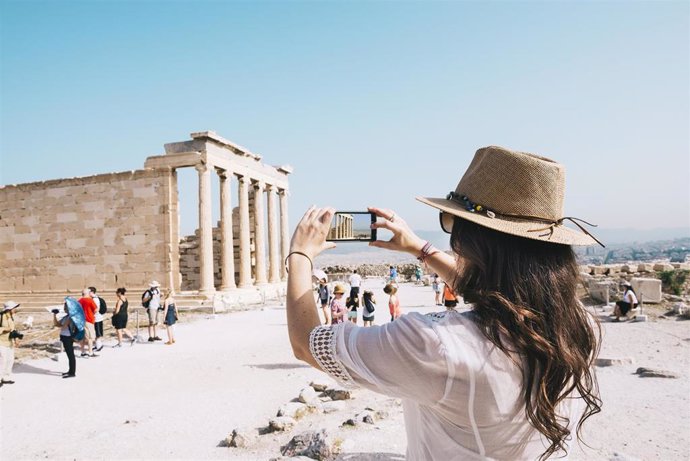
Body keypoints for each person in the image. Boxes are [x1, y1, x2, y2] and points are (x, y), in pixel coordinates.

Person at [285, 146, 603, 460]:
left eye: (451, 222)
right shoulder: (579, 326)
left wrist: (300, 255)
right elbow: (497, 290)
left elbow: (306, 343)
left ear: (471, 241)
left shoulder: (435, 344)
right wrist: (419, 248)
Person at [52, 303, 76, 378]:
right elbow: (57, 324)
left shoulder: (71, 317)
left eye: (66, 307)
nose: (64, 309)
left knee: (70, 355)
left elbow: (64, 327)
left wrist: (64, 323)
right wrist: (54, 315)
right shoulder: (66, 316)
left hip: (68, 337)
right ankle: (70, 371)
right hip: (64, 337)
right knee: (69, 355)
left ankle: (72, 372)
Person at [0, 301, 20, 386]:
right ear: (9, 309)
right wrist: (5, 329)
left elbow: (13, 329)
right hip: (1, 342)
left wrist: (16, 339)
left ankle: (5, 377)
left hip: (10, 342)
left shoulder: (11, 317)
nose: (15, 309)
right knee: (2, 361)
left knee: (10, 360)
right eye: (14, 308)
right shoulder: (1, 316)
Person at [78, 288, 98, 357]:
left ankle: (83, 352)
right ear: (88, 293)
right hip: (88, 320)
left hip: (81, 320)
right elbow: (96, 310)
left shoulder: (79, 300)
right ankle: (90, 352)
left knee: (83, 337)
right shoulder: (90, 300)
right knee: (90, 337)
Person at [89, 286, 105, 352]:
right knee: (97, 332)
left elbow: (95, 309)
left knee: (97, 333)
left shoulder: (95, 299)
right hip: (98, 318)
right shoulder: (95, 298)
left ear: (92, 292)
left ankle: (99, 346)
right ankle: (98, 345)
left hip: (97, 318)